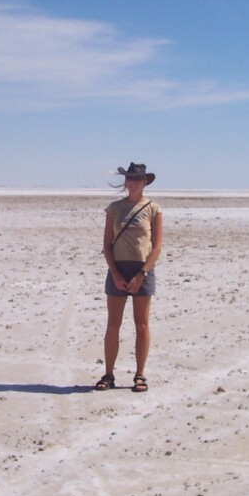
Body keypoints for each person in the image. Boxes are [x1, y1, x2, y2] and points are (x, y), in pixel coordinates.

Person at [94, 162, 163, 393]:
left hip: (143, 270)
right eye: (130, 178)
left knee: (141, 325)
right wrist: (114, 272)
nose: (133, 182)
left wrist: (142, 274)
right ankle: (109, 374)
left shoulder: (153, 208)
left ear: (145, 182)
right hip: (117, 270)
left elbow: (157, 246)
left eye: (138, 179)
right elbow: (106, 244)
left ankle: (140, 375)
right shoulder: (114, 208)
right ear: (125, 182)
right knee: (113, 324)